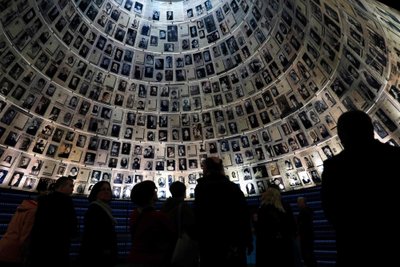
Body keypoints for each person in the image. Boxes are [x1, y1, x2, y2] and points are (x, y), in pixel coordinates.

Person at [321, 110, 400, 266]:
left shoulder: (334, 167)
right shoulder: (395, 157)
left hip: (353, 250)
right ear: (371, 130)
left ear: (342, 137)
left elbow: (331, 211)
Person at [194, 157, 253, 267]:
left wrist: (197, 240)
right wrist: (248, 240)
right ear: (221, 169)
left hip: (210, 242)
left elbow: (199, 216)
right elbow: (243, 215)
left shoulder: (201, 188)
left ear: (206, 169)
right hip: (233, 242)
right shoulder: (233, 187)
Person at [28, 176, 78, 267]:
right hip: (58, 246)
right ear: (62, 186)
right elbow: (71, 224)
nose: (73, 188)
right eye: (70, 186)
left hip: (39, 246)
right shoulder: (66, 201)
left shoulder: (43, 199)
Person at [128, 180, 175, 267]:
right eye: (155, 191)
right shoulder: (158, 217)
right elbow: (172, 235)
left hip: (134, 258)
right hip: (154, 260)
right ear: (151, 195)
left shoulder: (134, 214)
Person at [0, 183, 47, 267]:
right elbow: (25, 236)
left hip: (4, 246)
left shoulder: (24, 207)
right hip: (14, 252)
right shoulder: (34, 212)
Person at [255, 186, 297, 267]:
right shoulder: (285, 207)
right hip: (285, 245)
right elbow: (292, 225)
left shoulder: (262, 208)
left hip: (268, 247)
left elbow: (260, 229)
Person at [79, 181, 117, 267]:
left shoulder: (104, 208)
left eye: (108, 189)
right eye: (103, 189)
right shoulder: (95, 209)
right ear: (96, 192)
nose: (106, 191)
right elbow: (94, 234)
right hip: (97, 256)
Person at [161, 181, 197, 267]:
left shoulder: (164, 206)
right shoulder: (184, 207)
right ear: (184, 192)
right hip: (180, 243)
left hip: (166, 243)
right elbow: (192, 227)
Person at [296, 197, 317, 267]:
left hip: (305, 237)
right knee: (309, 255)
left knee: (308, 256)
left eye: (299, 202)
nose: (298, 204)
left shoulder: (304, 212)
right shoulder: (307, 211)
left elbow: (303, 225)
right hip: (308, 236)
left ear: (303, 203)